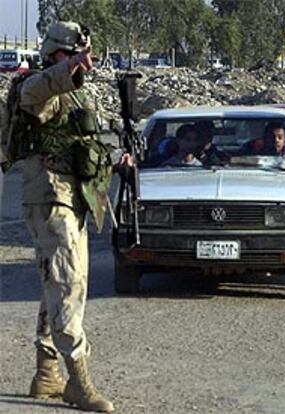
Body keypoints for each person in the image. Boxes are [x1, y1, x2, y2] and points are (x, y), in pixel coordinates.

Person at [19, 21, 132, 412]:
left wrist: (117, 161)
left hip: (76, 198)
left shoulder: (77, 95)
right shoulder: (35, 86)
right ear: (56, 54)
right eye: (75, 55)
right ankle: (78, 382)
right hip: (49, 197)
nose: (84, 64)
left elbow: (84, 146)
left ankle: (46, 373)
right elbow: (35, 95)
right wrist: (66, 70)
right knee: (67, 285)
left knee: (61, 283)